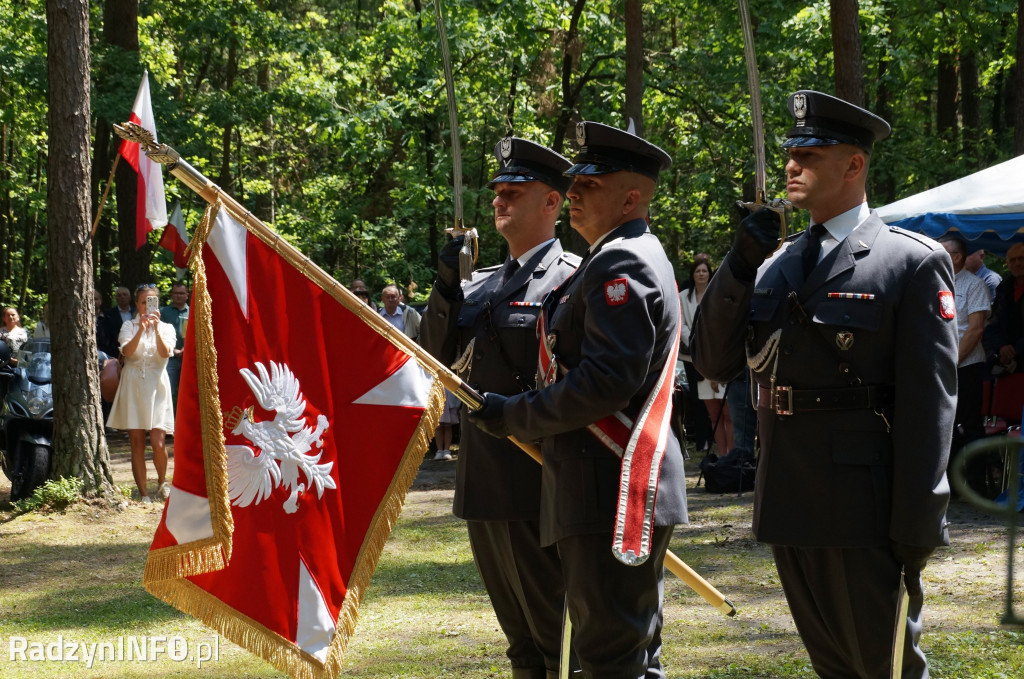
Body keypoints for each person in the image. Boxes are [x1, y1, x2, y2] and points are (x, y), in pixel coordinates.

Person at [692, 90, 957, 679]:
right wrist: (737, 263)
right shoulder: (774, 261)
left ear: (854, 165)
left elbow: (929, 404)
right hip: (789, 493)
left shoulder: (907, 261)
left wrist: (919, 521)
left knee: (883, 666)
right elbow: (712, 359)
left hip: (866, 505)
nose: (792, 165)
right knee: (834, 665)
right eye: (791, 153)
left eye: (810, 154)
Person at [468, 122, 688, 678]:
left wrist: (515, 415)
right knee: (624, 652)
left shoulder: (622, 262)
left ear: (630, 197)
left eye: (591, 184)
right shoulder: (618, 255)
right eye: (575, 184)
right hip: (599, 480)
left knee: (610, 657)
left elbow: (605, 381)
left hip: (607, 480)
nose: (575, 194)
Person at [420, 136, 582, 678]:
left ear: (553, 203)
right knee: (519, 642)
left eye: (515, 191)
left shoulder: (574, 277)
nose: (499, 200)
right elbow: (435, 356)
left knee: (556, 636)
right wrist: (446, 286)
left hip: (542, 477)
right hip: (485, 477)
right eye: (497, 191)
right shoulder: (480, 284)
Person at [107, 284, 176, 504]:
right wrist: (141, 328)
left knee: (158, 442)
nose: (147, 306)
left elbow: (165, 353)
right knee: (136, 442)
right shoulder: (128, 325)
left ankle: (162, 483)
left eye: (152, 302)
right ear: (137, 304)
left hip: (157, 384)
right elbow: (126, 352)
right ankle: (144, 492)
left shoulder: (167, 328)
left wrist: (154, 329)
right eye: (144, 302)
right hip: (133, 384)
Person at [940, 236, 990, 496]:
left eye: (943, 251)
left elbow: (976, 328)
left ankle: (977, 488)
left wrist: (953, 362)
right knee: (944, 427)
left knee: (969, 427)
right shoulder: (934, 285)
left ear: (957, 256)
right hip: (939, 367)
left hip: (966, 366)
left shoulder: (974, 284)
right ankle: (951, 488)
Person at [679, 258, 733, 454]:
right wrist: (696, 342)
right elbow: (682, 325)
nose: (701, 274)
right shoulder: (683, 296)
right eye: (698, 271)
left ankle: (731, 453)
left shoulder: (718, 294)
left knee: (727, 412)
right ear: (692, 274)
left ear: (710, 274)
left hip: (719, 357)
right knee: (708, 409)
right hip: (693, 357)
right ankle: (713, 449)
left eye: (704, 271)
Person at [983, 242, 1024, 374]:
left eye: (1022, 259)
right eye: (1013, 260)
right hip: (1006, 362)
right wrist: (1001, 346)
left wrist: (1015, 349)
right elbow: (993, 322)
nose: (1017, 263)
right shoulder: (1004, 288)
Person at [160, 281, 190, 411]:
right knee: (167, 391)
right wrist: (173, 350)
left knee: (188, 392)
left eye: (182, 293)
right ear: (172, 295)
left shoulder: (194, 311)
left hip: (189, 359)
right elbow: (159, 333)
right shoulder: (163, 312)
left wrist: (186, 349)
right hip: (169, 358)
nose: (179, 296)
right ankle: (167, 426)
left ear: (187, 295)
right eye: (176, 293)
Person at [99, 286, 133, 357]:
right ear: (116, 298)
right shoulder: (108, 314)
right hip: (116, 353)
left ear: (130, 298)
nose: (122, 297)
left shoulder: (137, 313)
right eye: (119, 295)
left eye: (125, 294)